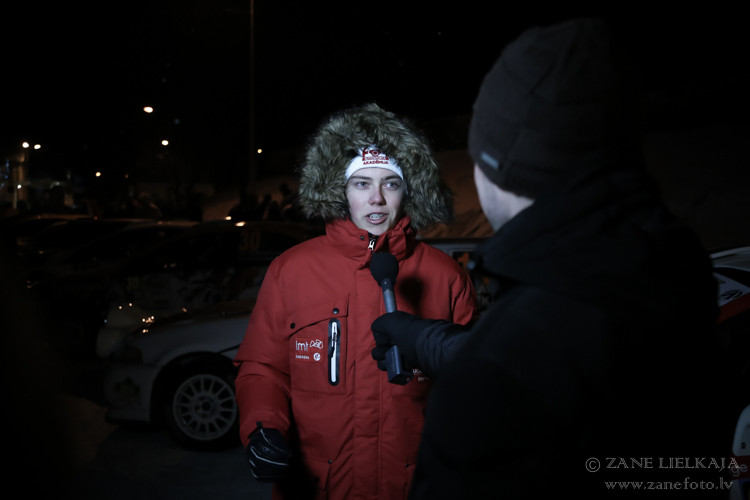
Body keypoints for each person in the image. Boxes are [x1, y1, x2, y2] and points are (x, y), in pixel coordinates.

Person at [370, 19, 735, 499]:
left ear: (496, 165)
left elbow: (526, 371)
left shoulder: (491, 384)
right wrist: (429, 340)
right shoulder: (673, 271)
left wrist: (478, 364)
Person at [233, 102, 479, 500]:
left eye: (391, 183)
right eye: (362, 183)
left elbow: (474, 383)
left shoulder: (447, 275)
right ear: (340, 190)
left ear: (408, 191)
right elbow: (264, 367)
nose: (377, 199)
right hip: (318, 487)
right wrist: (264, 426)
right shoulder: (291, 270)